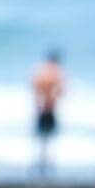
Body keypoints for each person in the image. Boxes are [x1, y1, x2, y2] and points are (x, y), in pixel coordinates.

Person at [31, 49, 66, 178]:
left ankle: (41, 164)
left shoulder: (40, 71)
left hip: (40, 107)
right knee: (49, 137)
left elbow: (34, 87)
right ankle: (46, 165)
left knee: (42, 137)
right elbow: (62, 91)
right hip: (50, 107)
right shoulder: (57, 72)